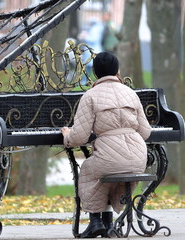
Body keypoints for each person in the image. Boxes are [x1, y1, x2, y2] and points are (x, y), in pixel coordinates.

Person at [61, 52, 151, 238]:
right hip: (138, 157)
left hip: (110, 158)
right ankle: (109, 224)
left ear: (95, 72)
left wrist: (67, 135)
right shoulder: (130, 93)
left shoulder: (90, 96)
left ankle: (95, 222)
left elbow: (79, 137)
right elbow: (145, 132)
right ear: (117, 70)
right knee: (105, 168)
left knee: (88, 169)